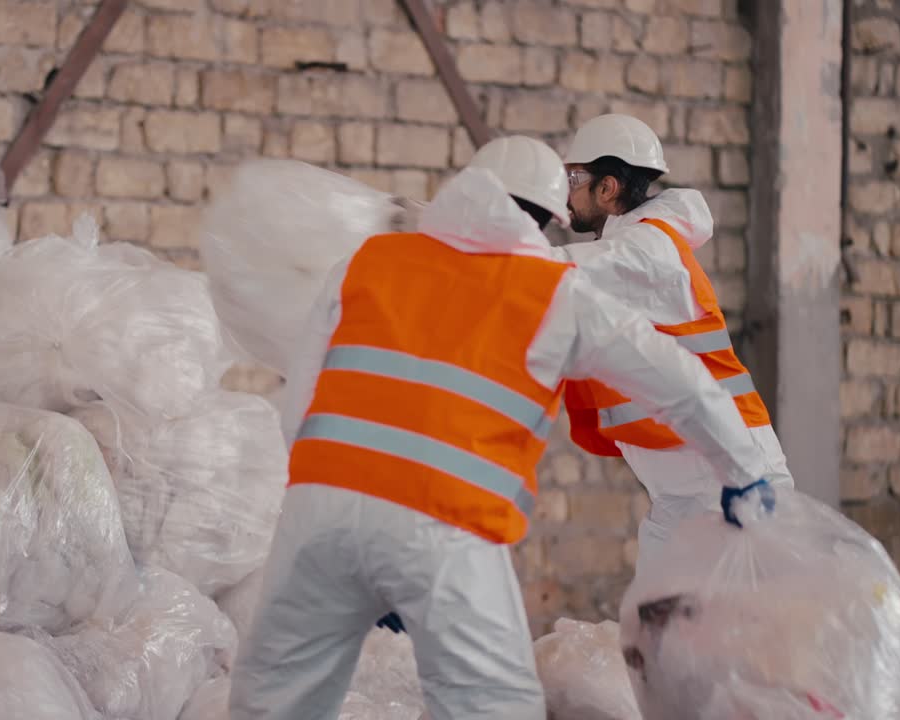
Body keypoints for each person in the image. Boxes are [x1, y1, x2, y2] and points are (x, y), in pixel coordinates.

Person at [227, 135, 775, 720]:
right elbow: (682, 384)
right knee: (491, 706)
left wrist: (345, 528)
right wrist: (743, 472)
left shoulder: (366, 262)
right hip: (442, 529)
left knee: (274, 700)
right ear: (545, 218)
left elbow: (301, 402)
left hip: (318, 516)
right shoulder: (554, 294)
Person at [546, 113, 794, 567]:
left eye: (573, 177)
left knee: (732, 629)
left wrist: (456, 239)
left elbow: (545, 273)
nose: (566, 190)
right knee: (660, 628)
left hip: (730, 475)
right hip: (685, 487)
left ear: (607, 188)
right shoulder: (633, 245)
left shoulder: (647, 252)